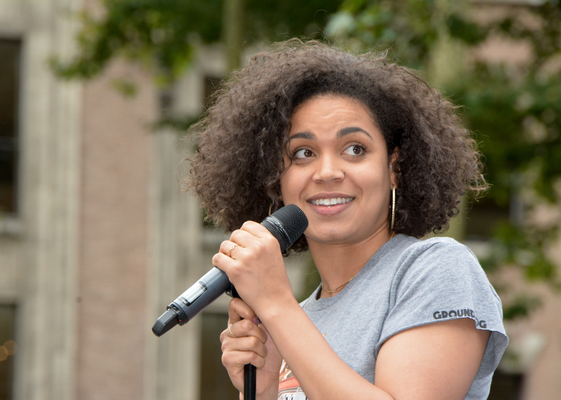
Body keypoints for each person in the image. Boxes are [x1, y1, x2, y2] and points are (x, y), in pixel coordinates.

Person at [187, 40, 508, 400]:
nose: (327, 172)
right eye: (303, 153)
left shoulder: (435, 270)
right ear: (276, 178)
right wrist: (265, 391)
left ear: (394, 168)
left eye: (355, 149)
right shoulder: (298, 318)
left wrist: (276, 304)